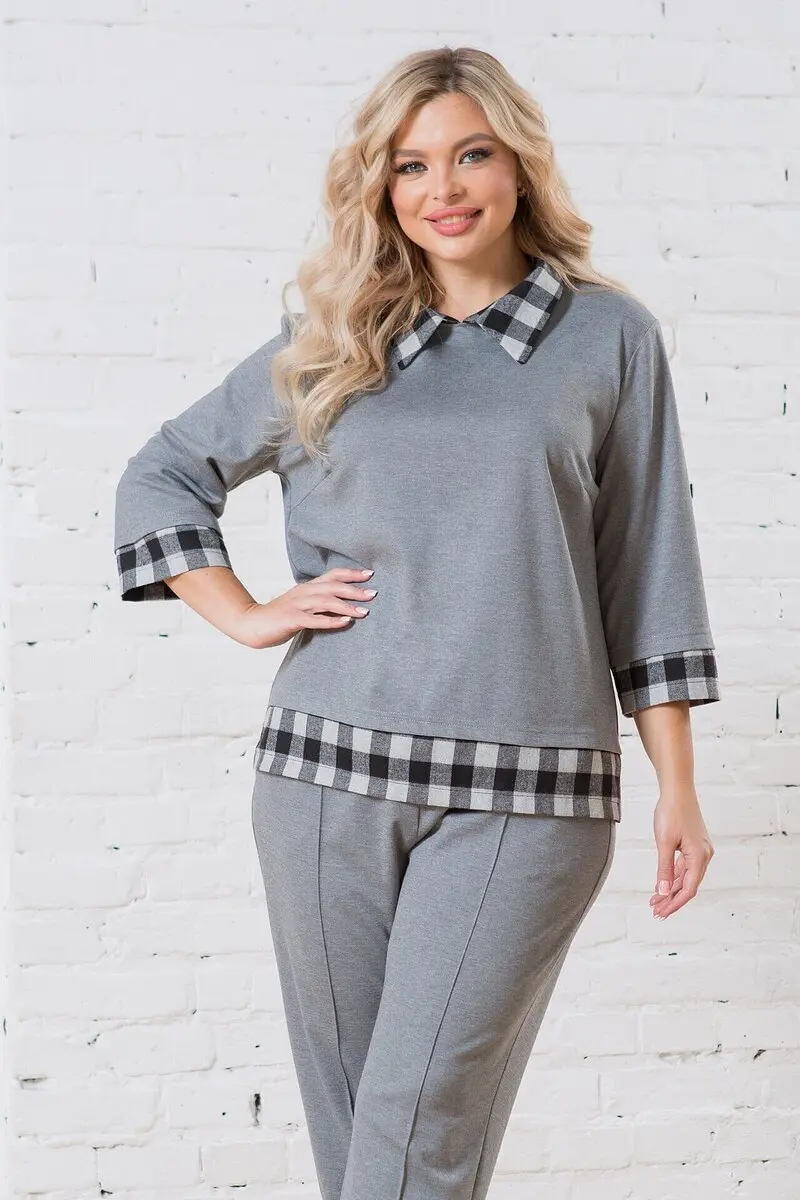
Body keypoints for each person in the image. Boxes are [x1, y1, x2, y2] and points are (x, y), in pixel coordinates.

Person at [114, 46, 720, 1200]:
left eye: (469, 154)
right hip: (321, 784)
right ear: (380, 186)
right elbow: (162, 475)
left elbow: (646, 564)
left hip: (526, 798)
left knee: (412, 1127)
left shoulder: (608, 338)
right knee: (370, 1151)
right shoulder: (331, 340)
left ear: (518, 164)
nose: (441, 188)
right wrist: (242, 613)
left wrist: (676, 785)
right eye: (409, 165)